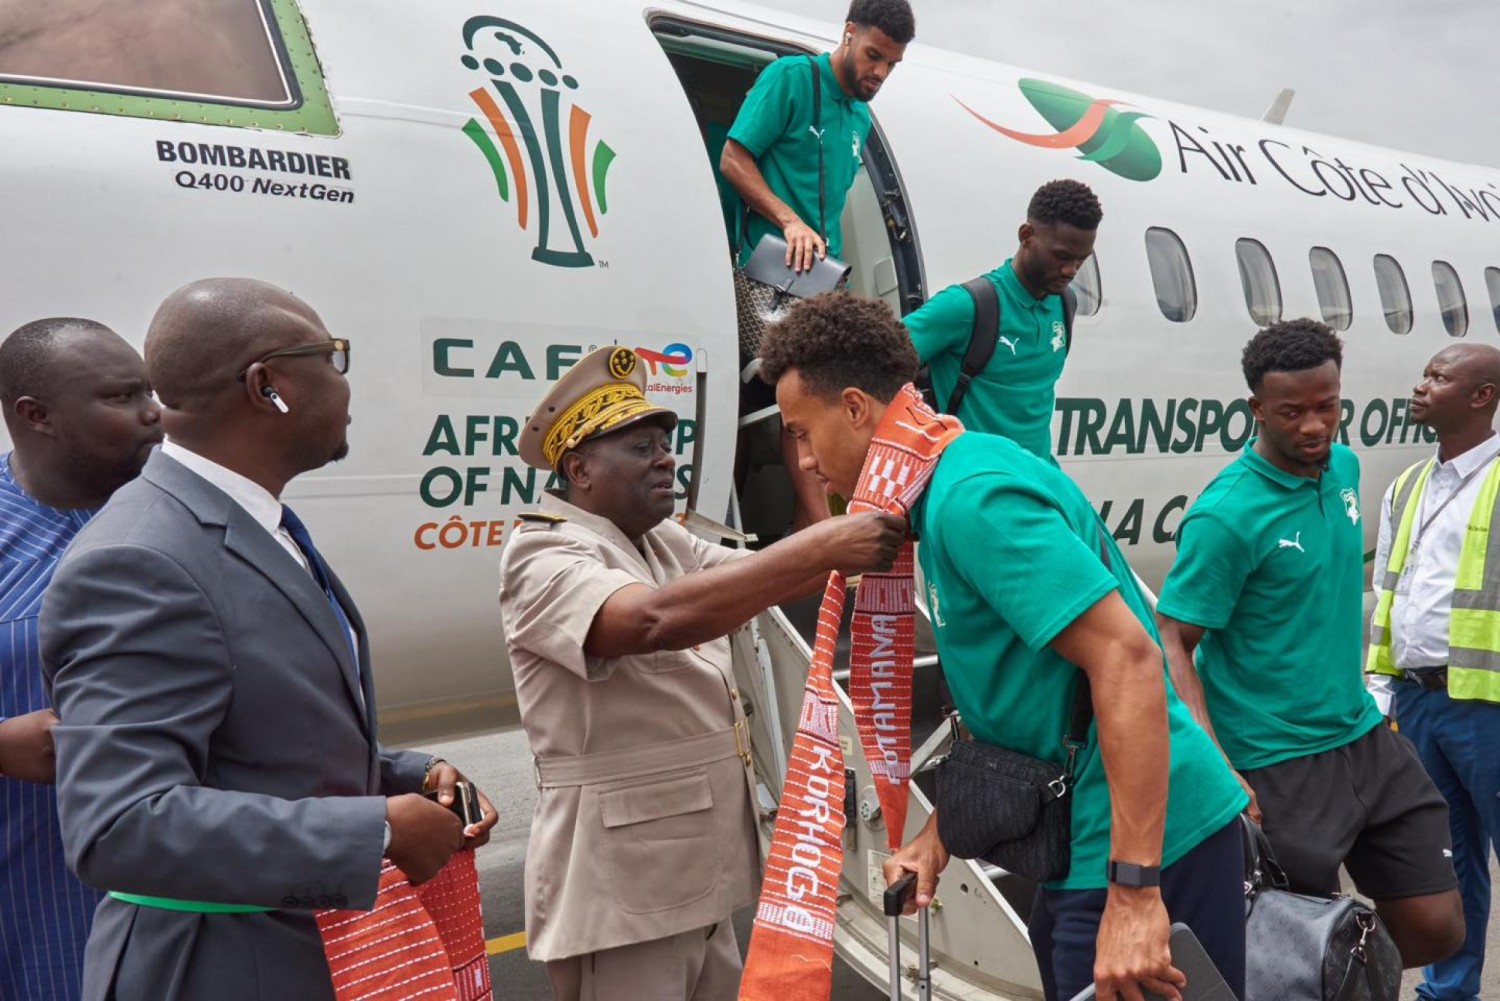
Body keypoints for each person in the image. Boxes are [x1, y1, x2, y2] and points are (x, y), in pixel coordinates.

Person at [757, 293, 1249, 1001]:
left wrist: (1137, 892)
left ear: (858, 409)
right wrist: (943, 832)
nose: (803, 461)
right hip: (1084, 837)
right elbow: (1019, 699)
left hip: (1145, 844)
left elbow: (1129, 658)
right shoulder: (942, 482)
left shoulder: (972, 499)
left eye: (803, 432)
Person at [39, 278, 498, 1001]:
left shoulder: (248, 519)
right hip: (220, 968)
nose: (346, 385)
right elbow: (120, 822)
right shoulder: (141, 557)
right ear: (269, 386)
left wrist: (405, 774)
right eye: (331, 357)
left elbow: (257, 737)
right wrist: (375, 830)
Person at [499, 345, 906, 1001]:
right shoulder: (544, 550)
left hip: (693, 875)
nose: (666, 457)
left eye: (666, 442)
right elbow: (651, 621)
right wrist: (831, 540)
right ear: (578, 468)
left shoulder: (657, 539)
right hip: (625, 890)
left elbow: (755, 578)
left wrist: (883, 529)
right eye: (640, 447)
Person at [1155, 318, 1465, 969]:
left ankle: (1340, 975)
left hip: (1361, 736)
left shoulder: (1343, 468)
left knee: (1438, 928)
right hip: (1275, 758)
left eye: (1327, 406)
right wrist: (1218, 768)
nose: (1314, 426)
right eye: (1291, 412)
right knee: (1296, 950)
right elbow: (1173, 639)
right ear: (1256, 410)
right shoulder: (1227, 514)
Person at [0, 318, 162, 1001]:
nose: (154, 413)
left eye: (149, 390)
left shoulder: (177, 517)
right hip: (32, 910)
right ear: (35, 415)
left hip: (175, 907)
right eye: (122, 397)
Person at [721, 0, 914, 531]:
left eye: (891, 65)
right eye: (874, 55)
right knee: (807, 412)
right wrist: (788, 220)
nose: (880, 72)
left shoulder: (859, 114)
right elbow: (734, 157)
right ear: (849, 33)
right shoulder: (792, 79)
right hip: (768, 277)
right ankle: (819, 550)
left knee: (820, 416)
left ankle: (819, 544)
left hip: (818, 284)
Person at [1367, 343, 1500, 1001]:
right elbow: (1389, 593)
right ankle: (1450, 990)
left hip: (1491, 705)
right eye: (1424, 373)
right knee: (1450, 862)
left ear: (1482, 396)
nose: (1421, 387)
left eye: (1440, 378)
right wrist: (1380, 690)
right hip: (1419, 703)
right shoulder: (1406, 486)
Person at [903, 179, 1101, 460]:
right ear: (1026, 235)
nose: (1071, 270)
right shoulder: (966, 306)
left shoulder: (1065, 303)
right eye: (1061, 256)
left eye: (1081, 260)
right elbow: (874, 360)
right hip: (977, 486)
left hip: (1036, 480)